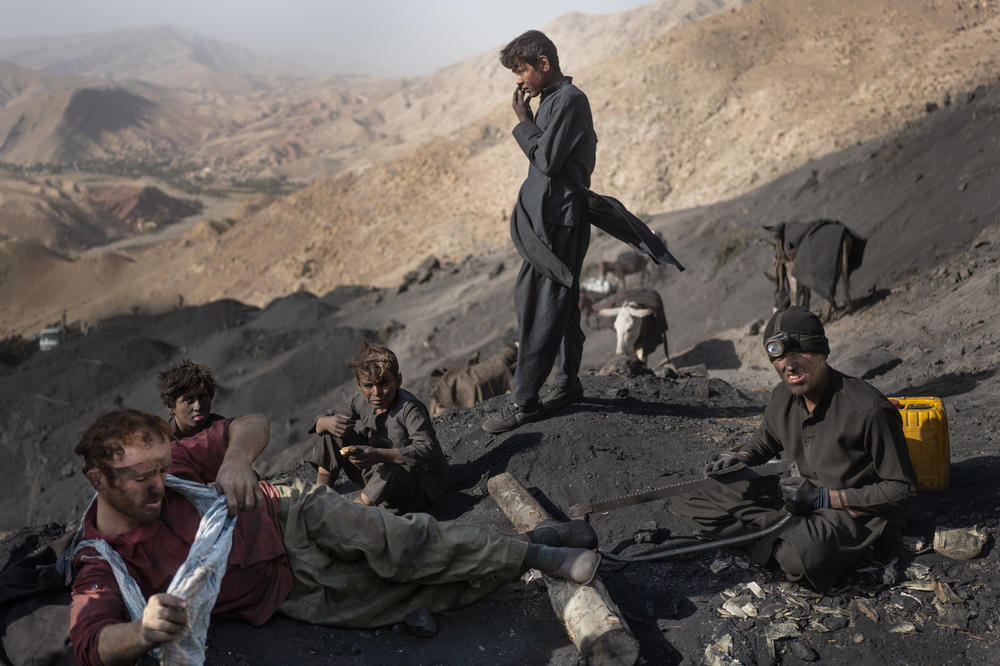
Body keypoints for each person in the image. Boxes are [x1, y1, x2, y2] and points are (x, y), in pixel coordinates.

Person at [68, 407, 600, 665]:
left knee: (403, 542)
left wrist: (233, 460)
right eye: (143, 478)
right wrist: (143, 630)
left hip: (293, 514)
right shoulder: (103, 562)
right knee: (394, 594)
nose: (161, 484)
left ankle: (540, 551)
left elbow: (249, 422)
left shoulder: (176, 462)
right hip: (287, 590)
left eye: (162, 470)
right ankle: (513, 559)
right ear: (100, 481)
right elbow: (90, 642)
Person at [485, 30, 683, 434]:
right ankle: (568, 381)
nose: (518, 81)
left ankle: (525, 401)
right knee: (559, 302)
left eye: (521, 71)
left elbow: (548, 160)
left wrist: (523, 123)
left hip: (559, 221)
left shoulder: (570, 101)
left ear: (544, 64)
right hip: (552, 219)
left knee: (538, 305)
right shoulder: (554, 102)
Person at [672, 306, 919, 591]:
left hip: (847, 512)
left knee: (798, 558)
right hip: (796, 496)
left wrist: (823, 498)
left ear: (821, 353)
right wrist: (740, 456)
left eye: (800, 353)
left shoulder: (869, 410)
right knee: (689, 494)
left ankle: (777, 536)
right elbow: (765, 442)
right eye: (778, 357)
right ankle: (777, 532)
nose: (788, 366)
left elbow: (903, 488)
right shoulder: (782, 396)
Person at [308, 341, 452, 514]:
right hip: (377, 475)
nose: (377, 392)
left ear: (398, 380)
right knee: (332, 433)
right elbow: (324, 418)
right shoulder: (361, 401)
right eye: (369, 385)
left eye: (384, 383)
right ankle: (320, 495)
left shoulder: (410, 408)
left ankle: (355, 512)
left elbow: (426, 448)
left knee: (393, 466)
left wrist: (378, 455)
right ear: (359, 385)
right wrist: (324, 422)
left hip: (414, 487)